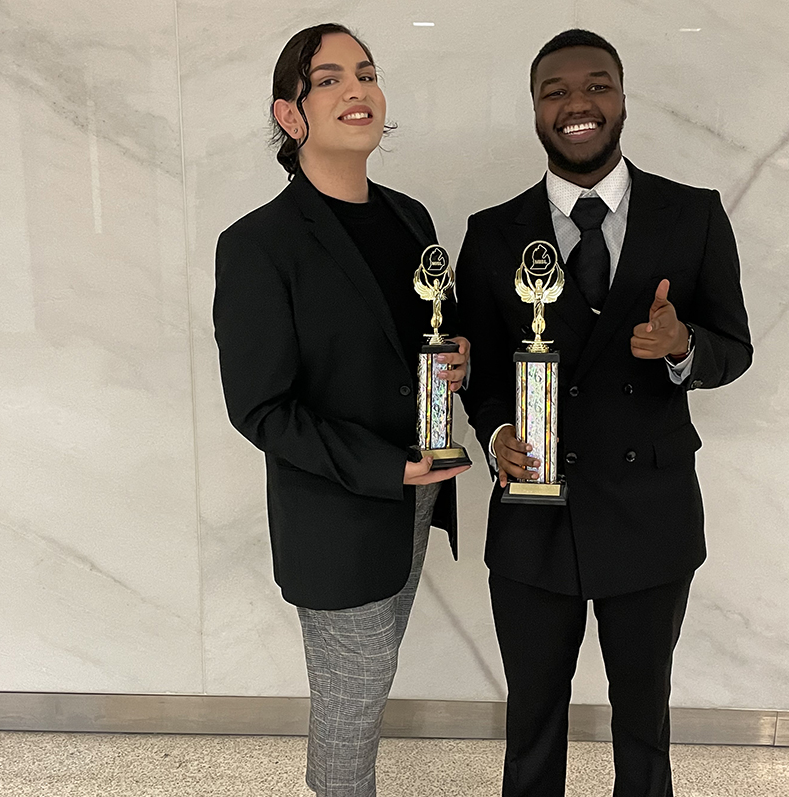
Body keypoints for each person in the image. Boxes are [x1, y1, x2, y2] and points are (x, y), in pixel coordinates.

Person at [456, 29, 752, 797]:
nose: (576, 103)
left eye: (596, 86)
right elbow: (475, 369)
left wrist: (685, 346)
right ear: (534, 109)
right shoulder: (491, 233)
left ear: (623, 100)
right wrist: (495, 434)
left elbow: (734, 346)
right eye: (555, 90)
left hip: (650, 512)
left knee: (644, 724)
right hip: (532, 517)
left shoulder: (693, 216)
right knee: (532, 725)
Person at [212, 23, 470, 797]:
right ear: (290, 116)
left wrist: (462, 357)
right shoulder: (258, 244)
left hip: (417, 499)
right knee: (353, 702)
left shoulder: (410, 218)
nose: (356, 90)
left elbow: (430, 335)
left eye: (366, 73)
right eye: (328, 79)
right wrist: (387, 466)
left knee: (371, 681)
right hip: (338, 512)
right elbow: (260, 407)